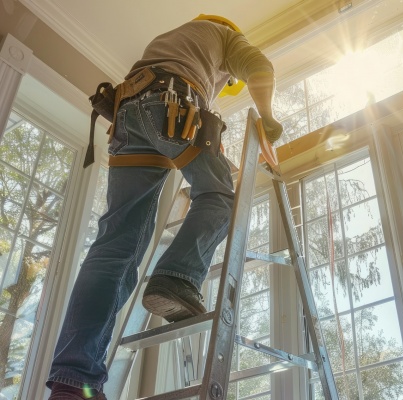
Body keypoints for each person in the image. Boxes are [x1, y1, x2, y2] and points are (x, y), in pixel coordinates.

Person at [46, 14, 283, 400]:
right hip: (168, 100)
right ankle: (177, 275)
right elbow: (260, 66)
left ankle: (73, 383)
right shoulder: (225, 35)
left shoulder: (173, 40)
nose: (225, 80)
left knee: (114, 248)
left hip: (127, 117)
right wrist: (269, 117)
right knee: (222, 194)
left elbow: (161, 109)